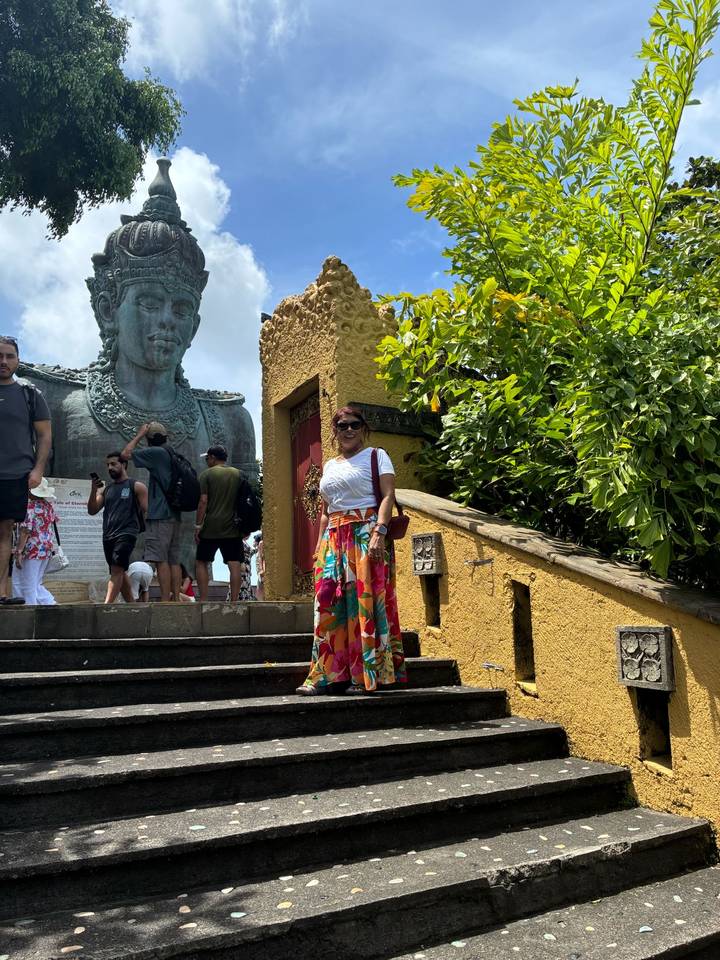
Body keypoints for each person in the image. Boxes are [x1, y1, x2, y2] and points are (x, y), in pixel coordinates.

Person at [296, 406, 406, 696]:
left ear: (363, 428)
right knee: (327, 603)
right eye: (342, 425)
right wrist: (319, 544)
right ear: (334, 430)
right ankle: (326, 675)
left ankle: (362, 675)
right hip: (333, 536)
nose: (348, 430)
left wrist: (379, 532)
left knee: (363, 604)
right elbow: (325, 510)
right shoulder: (330, 466)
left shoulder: (376, 456)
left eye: (354, 425)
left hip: (364, 533)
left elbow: (387, 496)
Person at [0, 335, 52, 604]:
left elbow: (44, 435)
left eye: (9, 356)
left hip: (14, 473)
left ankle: (1, 593)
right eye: (0, 356)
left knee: (5, 531)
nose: (4, 361)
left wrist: (38, 469)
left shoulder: (29, 394)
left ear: (18, 360)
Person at [121, 422, 181, 602]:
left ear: (150, 439)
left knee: (160, 559)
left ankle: (164, 600)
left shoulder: (156, 453)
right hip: (175, 514)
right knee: (174, 560)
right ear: (166, 437)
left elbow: (126, 454)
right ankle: (176, 598)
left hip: (160, 514)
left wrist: (139, 434)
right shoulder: (172, 454)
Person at [88, 452, 148, 604]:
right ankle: (133, 606)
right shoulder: (107, 490)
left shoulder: (136, 486)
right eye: (108, 465)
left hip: (127, 533)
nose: (110, 467)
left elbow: (147, 509)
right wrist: (94, 490)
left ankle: (106, 607)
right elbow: (92, 510)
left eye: (114, 464)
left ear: (124, 465)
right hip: (108, 535)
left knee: (116, 570)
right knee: (119, 571)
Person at [194, 444, 243, 601]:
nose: (207, 461)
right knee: (234, 563)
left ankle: (203, 599)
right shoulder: (238, 474)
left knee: (201, 561)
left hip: (210, 527)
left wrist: (198, 525)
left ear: (213, 458)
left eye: (207, 458)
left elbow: (203, 501)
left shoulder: (206, 475)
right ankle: (234, 601)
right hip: (233, 527)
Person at [11, 477, 59, 605]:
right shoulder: (48, 506)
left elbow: (26, 530)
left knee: (26, 584)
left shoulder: (30, 506)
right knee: (35, 583)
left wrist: (19, 551)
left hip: (31, 550)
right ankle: (51, 604)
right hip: (45, 550)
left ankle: (30, 613)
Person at [254, 533, 265, 601]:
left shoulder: (261, 544)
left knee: (260, 589)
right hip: (260, 571)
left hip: (262, 571)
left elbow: (261, 558)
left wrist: (261, 569)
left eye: (254, 540)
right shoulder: (257, 550)